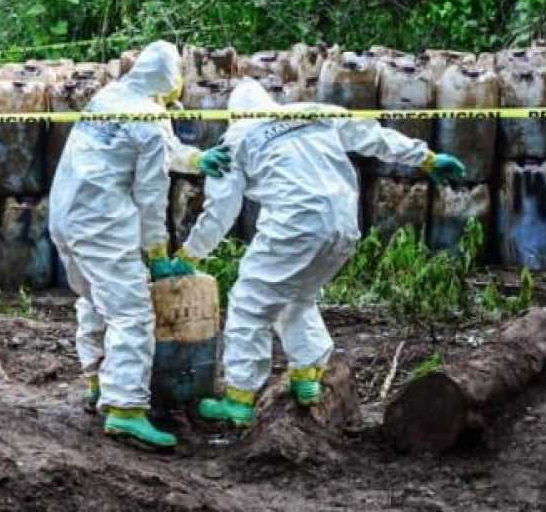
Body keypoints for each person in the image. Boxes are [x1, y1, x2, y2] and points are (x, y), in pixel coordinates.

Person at [171, 78, 465, 427]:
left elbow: (221, 210)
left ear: (234, 115)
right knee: (297, 297)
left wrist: (189, 255)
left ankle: (238, 399)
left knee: (250, 303)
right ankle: (307, 375)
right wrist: (427, 158)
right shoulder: (311, 112)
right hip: (342, 224)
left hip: (295, 224)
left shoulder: (236, 140)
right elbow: (372, 135)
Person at [49, 40, 231, 448]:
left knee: (96, 300)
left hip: (65, 215)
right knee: (131, 312)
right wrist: (157, 253)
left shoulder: (109, 97)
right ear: (170, 79)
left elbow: (157, 148)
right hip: (101, 223)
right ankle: (126, 408)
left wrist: (196, 160)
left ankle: (99, 382)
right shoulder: (148, 118)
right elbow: (151, 196)